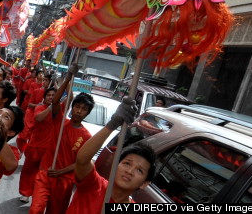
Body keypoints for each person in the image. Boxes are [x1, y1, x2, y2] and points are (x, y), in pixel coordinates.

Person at [66, 97, 154, 214]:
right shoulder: (95, 185)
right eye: (127, 163)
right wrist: (112, 125)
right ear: (116, 166)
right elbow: (82, 160)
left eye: (139, 171)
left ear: (144, 183)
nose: (130, 171)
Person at [30, 65, 94, 213]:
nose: (79, 111)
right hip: (45, 173)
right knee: (35, 209)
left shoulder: (86, 136)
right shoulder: (60, 121)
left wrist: (61, 172)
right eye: (77, 106)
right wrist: (68, 76)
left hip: (64, 180)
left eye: (83, 109)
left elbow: (80, 162)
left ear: (87, 113)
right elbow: (55, 101)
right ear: (72, 107)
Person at [19, 87, 56, 203]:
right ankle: (25, 193)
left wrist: (68, 79)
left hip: (49, 149)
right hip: (35, 146)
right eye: (49, 95)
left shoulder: (59, 112)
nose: (51, 97)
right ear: (45, 97)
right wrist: (50, 107)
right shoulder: (40, 108)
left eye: (54, 95)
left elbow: (70, 99)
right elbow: (39, 118)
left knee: (43, 174)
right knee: (29, 170)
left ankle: (38, 195)